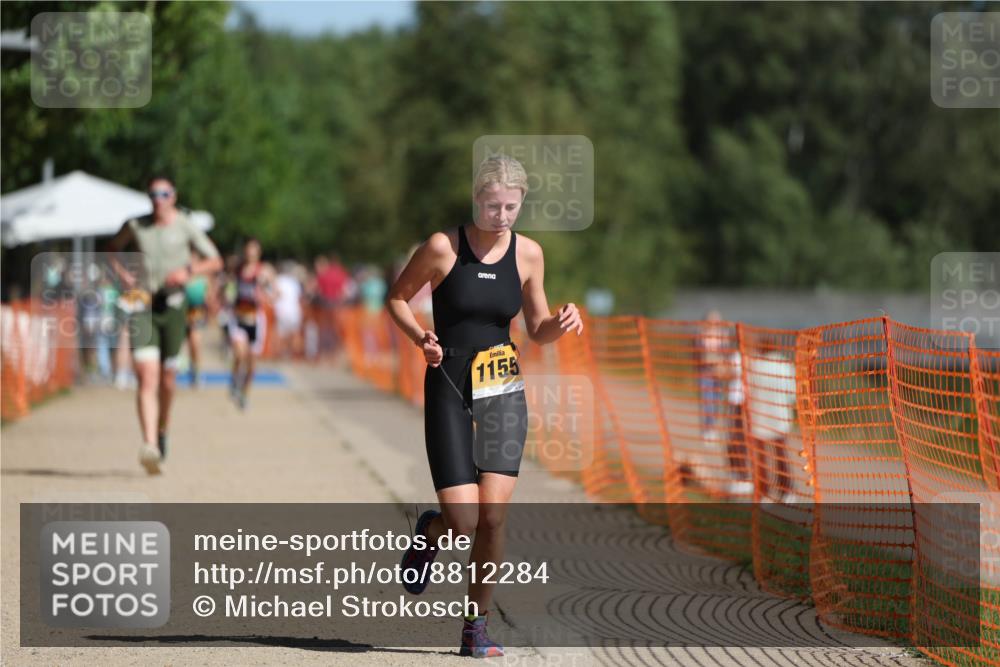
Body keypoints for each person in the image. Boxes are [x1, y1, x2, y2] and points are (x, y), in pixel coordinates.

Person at [386, 154, 583, 658]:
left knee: (492, 516)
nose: (501, 216)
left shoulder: (529, 254)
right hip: (449, 380)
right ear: (476, 199)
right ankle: (431, 531)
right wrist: (420, 338)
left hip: (501, 385)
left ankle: (475, 627)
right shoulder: (443, 247)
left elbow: (537, 328)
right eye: (493, 206)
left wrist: (559, 323)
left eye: (511, 207)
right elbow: (397, 298)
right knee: (464, 520)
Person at [108, 176, 223, 474]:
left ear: (174, 196)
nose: (158, 199)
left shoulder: (185, 225)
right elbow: (112, 249)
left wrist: (189, 271)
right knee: (147, 376)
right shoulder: (136, 225)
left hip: (173, 306)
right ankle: (149, 445)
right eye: (153, 194)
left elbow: (215, 261)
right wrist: (123, 274)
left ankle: (162, 428)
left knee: (168, 380)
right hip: (143, 304)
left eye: (164, 194)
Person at [227, 238, 271, 410]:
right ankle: (234, 381)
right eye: (248, 249)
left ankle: (244, 393)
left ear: (258, 253)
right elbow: (228, 285)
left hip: (255, 320)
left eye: (253, 250)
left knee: (252, 364)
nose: (250, 253)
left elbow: (274, 292)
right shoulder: (237, 269)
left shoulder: (264, 271)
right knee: (239, 354)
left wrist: (266, 294)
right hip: (238, 318)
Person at [184, 251, 211, 387]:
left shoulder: (204, 278)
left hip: (198, 313)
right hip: (183, 313)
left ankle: (196, 372)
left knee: (195, 343)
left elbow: (209, 298)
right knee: (186, 345)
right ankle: (190, 367)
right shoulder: (182, 277)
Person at [273, 261, 304, 359]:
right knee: (294, 333)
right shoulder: (294, 281)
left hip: (282, 311)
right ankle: (294, 354)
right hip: (294, 311)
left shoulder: (279, 280)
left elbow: (277, 294)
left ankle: (282, 353)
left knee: (282, 334)